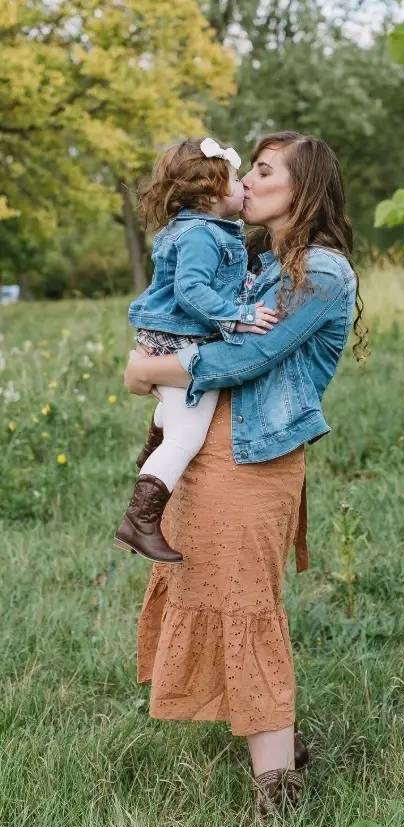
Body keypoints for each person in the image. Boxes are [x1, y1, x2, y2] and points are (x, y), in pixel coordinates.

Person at [123, 131, 366, 819]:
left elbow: (242, 361)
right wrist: (155, 364)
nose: (247, 182)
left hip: (254, 459)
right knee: (215, 590)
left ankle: (278, 795)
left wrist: (145, 369)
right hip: (210, 451)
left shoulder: (321, 271)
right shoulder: (256, 262)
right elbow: (187, 316)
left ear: (303, 189)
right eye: (249, 171)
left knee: (247, 606)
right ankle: (281, 744)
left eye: (262, 171)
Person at [114, 138, 278, 564]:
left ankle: (154, 444)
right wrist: (238, 316)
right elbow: (191, 291)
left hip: (168, 333)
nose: (244, 186)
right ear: (213, 193)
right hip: (181, 336)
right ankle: (139, 521)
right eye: (237, 179)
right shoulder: (202, 234)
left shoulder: (198, 229)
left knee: (179, 414)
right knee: (187, 435)